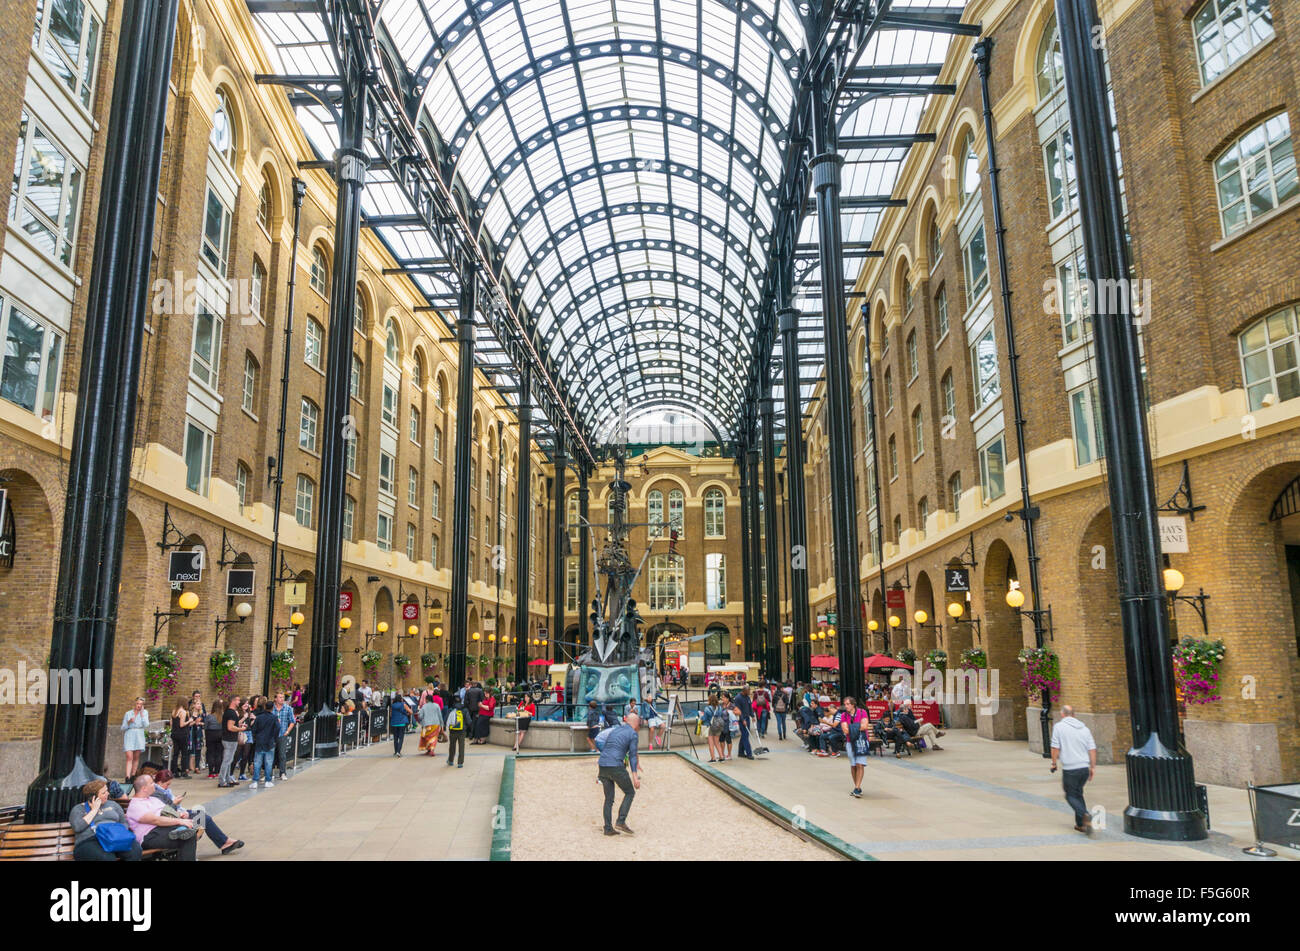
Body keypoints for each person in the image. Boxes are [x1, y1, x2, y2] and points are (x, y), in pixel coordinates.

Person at [153, 770, 244, 855]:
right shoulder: (157, 793)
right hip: (174, 816)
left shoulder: (163, 791)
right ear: (160, 782)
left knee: (202, 816)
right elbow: (164, 812)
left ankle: (224, 842)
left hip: (177, 813)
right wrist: (175, 804)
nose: (168, 787)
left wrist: (177, 805)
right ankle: (224, 843)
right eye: (167, 784)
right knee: (203, 818)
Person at [125, 774, 198, 861]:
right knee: (188, 836)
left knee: (191, 831)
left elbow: (167, 812)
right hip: (149, 836)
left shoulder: (153, 799)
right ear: (144, 788)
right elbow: (156, 820)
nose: (155, 785)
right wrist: (179, 821)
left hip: (164, 828)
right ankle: (180, 829)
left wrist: (180, 814)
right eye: (152, 783)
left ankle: (181, 830)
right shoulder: (135, 805)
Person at [1050, 705, 1098, 833]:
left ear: (1062, 714)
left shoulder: (1059, 727)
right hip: (1084, 768)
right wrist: (1092, 767)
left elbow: (1055, 747)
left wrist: (1053, 763)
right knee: (1078, 793)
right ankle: (1081, 824)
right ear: (1074, 715)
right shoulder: (1085, 729)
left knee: (1070, 795)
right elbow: (1092, 749)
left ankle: (1085, 815)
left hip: (1070, 768)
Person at [70, 780, 142, 861]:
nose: (108, 793)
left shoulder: (113, 805)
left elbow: (123, 822)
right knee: (107, 858)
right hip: (90, 841)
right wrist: (94, 810)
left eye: (107, 790)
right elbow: (77, 827)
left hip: (114, 838)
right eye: (104, 792)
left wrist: (119, 833)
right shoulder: (79, 809)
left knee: (135, 850)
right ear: (94, 797)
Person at [596, 711, 641, 836]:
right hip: (615, 765)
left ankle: (608, 828)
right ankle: (621, 821)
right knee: (630, 792)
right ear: (636, 723)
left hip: (603, 764)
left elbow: (608, 746)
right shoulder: (633, 734)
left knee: (609, 799)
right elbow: (632, 756)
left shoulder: (615, 730)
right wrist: (635, 777)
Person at [839, 696, 869, 798]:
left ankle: (857, 787)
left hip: (861, 741)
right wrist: (857, 726)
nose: (846, 706)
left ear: (853, 704)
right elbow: (845, 730)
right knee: (853, 765)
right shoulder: (843, 715)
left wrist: (851, 727)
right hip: (849, 742)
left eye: (848, 704)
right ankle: (857, 787)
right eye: (845, 704)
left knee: (859, 764)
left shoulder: (862, 712)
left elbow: (865, 726)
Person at [249, 699, 279, 787]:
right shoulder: (274, 718)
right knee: (268, 762)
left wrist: (256, 737)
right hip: (270, 742)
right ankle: (268, 780)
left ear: (265, 707)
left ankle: (255, 781)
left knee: (257, 762)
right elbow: (277, 728)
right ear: (272, 708)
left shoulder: (259, 717)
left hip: (259, 742)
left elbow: (254, 729)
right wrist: (274, 738)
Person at [120, 697, 149, 781]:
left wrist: (142, 715)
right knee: (129, 756)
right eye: (137, 703)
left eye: (141, 704)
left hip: (139, 735)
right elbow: (123, 727)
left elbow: (146, 725)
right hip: (129, 734)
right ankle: (127, 777)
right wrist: (129, 722)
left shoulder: (145, 713)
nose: (139, 705)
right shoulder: (128, 713)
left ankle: (133, 775)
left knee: (136, 757)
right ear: (135, 704)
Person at [218, 696, 242, 787]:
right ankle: (222, 780)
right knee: (227, 760)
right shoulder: (231, 713)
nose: (239, 702)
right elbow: (230, 727)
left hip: (229, 739)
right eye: (238, 700)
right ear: (233, 701)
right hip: (229, 739)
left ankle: (227, 778)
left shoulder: (229, 712)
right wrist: (241, 729)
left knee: (229, 760)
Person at [272, 691, 296, 780]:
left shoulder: (288, 708)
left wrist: (287, 731)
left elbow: (292, 721)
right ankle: (269, 773)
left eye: (283, 697)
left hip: (282, 734)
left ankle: (282, 773)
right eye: (280, 697)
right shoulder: (272, 708)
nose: (282, 699)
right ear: (275, 699)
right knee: (271, 754)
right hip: (272, 735)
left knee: (282, 754)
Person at [169, 701, 193, 777]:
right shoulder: (183, 712)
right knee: (184, 754)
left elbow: (171, 723)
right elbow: (182, 724)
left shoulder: (174, 711)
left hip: (175, 734)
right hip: (182, 734)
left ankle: (174, 771)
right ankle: (183, 772)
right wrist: (189, 720)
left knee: (175, 753)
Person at [732, 685, 755, 759]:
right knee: (745, 736)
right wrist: (742, 720)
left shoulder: (747, 697)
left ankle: (740, 752)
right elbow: (738, 710)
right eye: (748, 691)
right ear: (744, 690)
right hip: (742, 719)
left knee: (745, 735)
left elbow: (750, 707)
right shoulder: (738, 698)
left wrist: (752, 716)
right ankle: (749, 753)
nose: (749, 692)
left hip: (747, 718)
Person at [418, 690, 444, 756]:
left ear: (427, 700)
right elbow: (440, 715)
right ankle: (432, 749)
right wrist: (442, 725)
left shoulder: (424, 706)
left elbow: (420, 716)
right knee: (434, 737)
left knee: (426, 737)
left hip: (426, 724)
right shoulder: (436, 706)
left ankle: (428, 749)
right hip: (435, 724)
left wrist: (420, 721)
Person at [444, 697, 468, 767]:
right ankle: (460, 763)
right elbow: (469, 721)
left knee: (452, 746)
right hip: (462, 731)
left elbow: (446, 720)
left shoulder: (451, 710)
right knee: (461, 746)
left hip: (453, 731)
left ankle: (451, 761)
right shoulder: (465, 710)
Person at [389, 690, 414, 756]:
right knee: (401, 738)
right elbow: (411, 712)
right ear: (401, 699)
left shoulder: (392, 705)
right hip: (402, 722)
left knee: (395, 738)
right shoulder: (404, 704)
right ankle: (398, 751)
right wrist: (407, 713)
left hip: (394, 723)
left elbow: (391, 714)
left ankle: (395, 751)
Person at [203, 705, 223, 779]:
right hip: (220, 734)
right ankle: (217, 772)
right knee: (219, 753)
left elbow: (205, 726)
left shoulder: (209, 716)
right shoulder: (222, 716)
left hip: (210, 735)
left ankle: (211, 773)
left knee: (210, 753)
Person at [705, 695, 726, 763]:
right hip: (719, 725)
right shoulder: (719, 707)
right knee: (717, 742)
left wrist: (700, 716)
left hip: (712, 726)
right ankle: (721, 757)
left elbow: (704, 718)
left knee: (711, 743)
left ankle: (713, 758)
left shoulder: (707, 708)